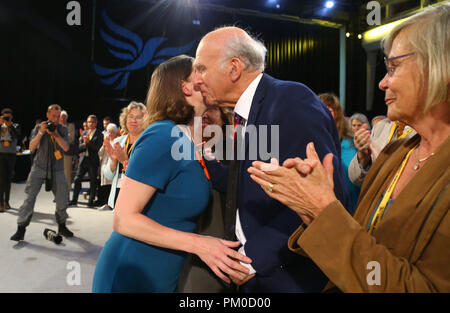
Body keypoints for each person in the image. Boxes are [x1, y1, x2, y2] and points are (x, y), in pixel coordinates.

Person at [248, 2, 450, 292]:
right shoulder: (396, 152)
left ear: (440, 66)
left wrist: (324, 210)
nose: (382, 83)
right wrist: (313, 211)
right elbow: (362, 242)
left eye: (393, 68)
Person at [193, 27, 351, 292]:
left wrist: (252, 261)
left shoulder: (290, 101)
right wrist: (200, 156)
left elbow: (320, 198)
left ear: (234, 68)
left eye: (201, 69)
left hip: (285, 278)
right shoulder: (248, 111)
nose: (196, 80)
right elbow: (244, 182)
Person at [92, 55, 251, 293]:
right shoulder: (162, 135)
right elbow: (123, 219)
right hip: (132, 272)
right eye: (200, 71)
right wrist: (200, 245)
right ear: (184, 86)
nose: (208, 76)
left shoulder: (187, 139)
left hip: (162, 273)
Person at [178, 106, 234, 293]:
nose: (204, 115)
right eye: (199, 111)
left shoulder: (234, 146)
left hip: (220, 246)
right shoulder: (181, 149)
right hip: (182, 246)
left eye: (210, 109)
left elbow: (231, 183)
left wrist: (206, 157)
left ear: (224, 118)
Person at [10, 104, 73, 241]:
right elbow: (31, 147)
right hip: (38, 168)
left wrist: (55, 134)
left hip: (57, 169)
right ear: (48, 115)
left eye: (58, 117)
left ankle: (62, 225)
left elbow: (66, 147)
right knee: (29, 198)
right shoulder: (39, 128)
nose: (56, 119)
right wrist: (41, 133)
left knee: (62, 199)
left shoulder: (62, 129)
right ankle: (21, 228)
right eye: (53, 116)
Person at [319, 93, 360, 210]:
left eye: (328, 109)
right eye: (320, 107)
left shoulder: (351, 143)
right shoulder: (310, 142)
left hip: (352, 207)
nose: (323, 112)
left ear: (337, 114)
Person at [102, 102, 147, 210]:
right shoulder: (118, 141)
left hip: (137, 193)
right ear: (125, 120)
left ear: (145, 120)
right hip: (118, 190)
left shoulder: (148, 143)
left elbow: (145, 174)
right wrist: (113, 161)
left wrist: (124, 160)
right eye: (130, 117)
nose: (134, 120)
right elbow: (108, 175)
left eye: (138, 117)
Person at [349, 117, 416, 186]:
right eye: (354, 125)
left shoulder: (422, 131)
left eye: (358, 125)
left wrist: (383, 162)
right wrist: (363, 157)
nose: (387, 105)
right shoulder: (381, 126)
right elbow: (355, 179)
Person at [70, 115, 104, 207]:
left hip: (93, 161)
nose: (91, 124)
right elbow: (79, 148)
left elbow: (97, 148)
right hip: (83, 160)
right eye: (89, 122)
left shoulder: (100, 134)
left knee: (93, 181)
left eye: (93, 122)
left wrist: (88, 143)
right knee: (77, 179)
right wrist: (85, 144)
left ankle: (90, 201)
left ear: (96, 123)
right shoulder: (84, 133)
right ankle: (74, 200)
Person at [0, 108, 20, 212]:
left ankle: (6, 201)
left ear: (11, 117)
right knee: (1, 179)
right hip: (1, 154)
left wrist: (10, 125)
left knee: (8, 178)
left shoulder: (15, 126)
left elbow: (16, 135)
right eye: (4, 116)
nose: (7, 118)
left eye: (8, 116)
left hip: (11, 154)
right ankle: (0, 202)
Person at [97, 123, 119, 211]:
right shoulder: (105, 142)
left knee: (112, 186)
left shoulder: (117, 141)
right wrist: (103, 145)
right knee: (105, 186)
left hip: (113, 166)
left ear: (115, 133)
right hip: (105, 166)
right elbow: (100, 154)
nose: (110, 134)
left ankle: (113, 205)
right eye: (108, 132)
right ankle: (106, 204)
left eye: (112, 132)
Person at [59, 110, 77, 192]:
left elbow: (71, 138)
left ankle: (67, 192)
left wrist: (59, 137)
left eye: (64, 117)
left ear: (66, 118)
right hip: (56, 153)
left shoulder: (70, 126)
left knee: (67, 173)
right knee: (57, 174)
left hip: (66, 153)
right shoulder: (56, 126)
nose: (62, 119)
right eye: (61, 117)